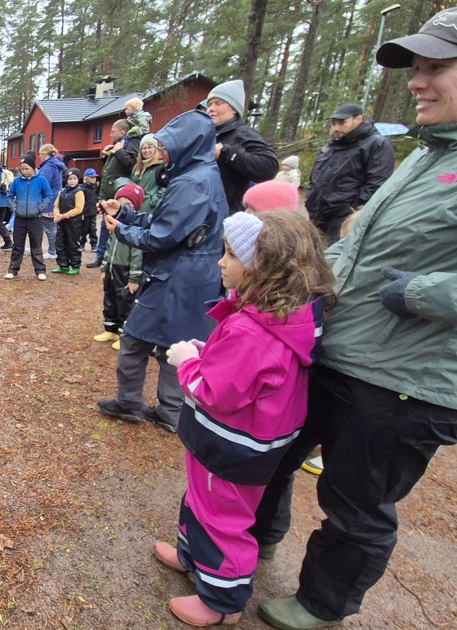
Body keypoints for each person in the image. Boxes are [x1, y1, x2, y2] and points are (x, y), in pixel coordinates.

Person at [254, 13, 457, 628]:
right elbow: (359, 244)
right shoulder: (425, 156)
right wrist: (303, 277)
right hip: (343, 350)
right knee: (275, 452)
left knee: (356, 500)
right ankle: (251, 538)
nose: (417, 83)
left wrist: (421, 291)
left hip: (404, 379)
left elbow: (407, 273)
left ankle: (323, 603)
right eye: (415, 70)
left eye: (436, 69)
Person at [154, 211, 334, 627]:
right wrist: (207, 353)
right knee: (201, 502)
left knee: (222, 519)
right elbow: (244, 374)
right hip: (241, 442)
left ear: (264, 266)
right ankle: (191, 557)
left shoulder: (252, 331)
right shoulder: (273, 318)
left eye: (231, 254)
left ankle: (222, 602)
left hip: (231, 446)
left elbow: (214, 391)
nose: (221, 262)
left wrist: (187, 362)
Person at [96, 111, 228, 433]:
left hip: (177, 275)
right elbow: (165, 222)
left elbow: (161, 237)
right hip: (194, 277)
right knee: (177, 341)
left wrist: (119, 231)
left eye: (168, 147)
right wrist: (127, 214)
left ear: (187, 146)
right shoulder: (202, 175)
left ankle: (130, 403)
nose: (163, 153)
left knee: (134, 338)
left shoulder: (191, 182)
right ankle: (171, 411)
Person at [305, 103, 396, 244]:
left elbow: (378, 180)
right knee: (312, 256)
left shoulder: (377, 144)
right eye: (334, 123)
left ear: (359, 119)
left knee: (333, 258)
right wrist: (310, 196)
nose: (336, 127)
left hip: (343, 215)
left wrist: (355, 207)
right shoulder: (333, 144)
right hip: (318, 212)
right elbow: (317, 174)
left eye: (342, 123)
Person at [205, 79, 279, 215]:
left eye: (218, 103)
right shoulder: (208, 133)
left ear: (234, 108)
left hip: (225, 216)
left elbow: (269, 166)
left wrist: (225, 153)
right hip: (202, 213)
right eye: (209, 104)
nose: (211, 108)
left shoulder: (242, 133)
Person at [95, 184, 146, 348]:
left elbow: (138, 255)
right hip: (112, 268)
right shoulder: (114, 225)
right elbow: (109, 247)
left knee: (125, 302)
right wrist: (104, 269)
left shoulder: (135, 229)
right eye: (120, 203)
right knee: (109, 299)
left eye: (128, 205)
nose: (124, 207)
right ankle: (110, 328)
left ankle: (124, 333)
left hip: (125, 270)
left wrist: (134, 278)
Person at [88, 120, 140, 267]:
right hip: (109, 193)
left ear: (122, 132)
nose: (110, 134)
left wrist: (118, 151)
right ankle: (101, 255)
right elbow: (111, 169)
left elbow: (130, 164)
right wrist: (107, 155)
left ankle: (110, 257)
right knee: (105, 225)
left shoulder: (130, 143)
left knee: (116, 226)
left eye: (113, 132)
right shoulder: (118, 145)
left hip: (119, 195)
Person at [4, 152, 54, 280]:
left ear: (33, 167)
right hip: (20, 218)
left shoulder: (41, 179)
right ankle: (13, 270)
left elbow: (49, 195)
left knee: (36, 245)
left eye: (27, 169)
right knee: (17, 246)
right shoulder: (17, 181)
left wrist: (40, 207)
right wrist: (14, 207)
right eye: (22, 169)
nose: (24, 172)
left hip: (35, 218)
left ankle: (40, 270)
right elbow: (9, 196)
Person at [51, 168, 86, 274]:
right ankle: (63, 264)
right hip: (62, 222)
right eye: (70, 179)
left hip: (74, 223)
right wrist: (57, 214)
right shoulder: (62, 192)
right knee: (60, 243)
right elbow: (56, 205)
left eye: (74, 178)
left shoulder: (79, 192)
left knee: (73, 243)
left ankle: (75, 265)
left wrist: (65, 215)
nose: (72, 181)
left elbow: (78, 208)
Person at [38, 144, 65, 260]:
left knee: (49, 227)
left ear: (44, 154)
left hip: (49, 201)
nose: (39, 157)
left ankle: (52, 251)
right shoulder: (55, 165)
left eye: (40, 154)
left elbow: (42, 184)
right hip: (55, 198)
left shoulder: (48, 167)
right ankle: (50, 250)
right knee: (50, 226)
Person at [80, 168, 100, 252]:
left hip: (93, 212)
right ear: (86, 178)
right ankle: (81, 244)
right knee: (83, 229)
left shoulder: (96, 189)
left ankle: (94, 244)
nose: (94, 179)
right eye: (92, 177)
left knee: (93, 229)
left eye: (95, 177)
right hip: (85, 213)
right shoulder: (83, 189)